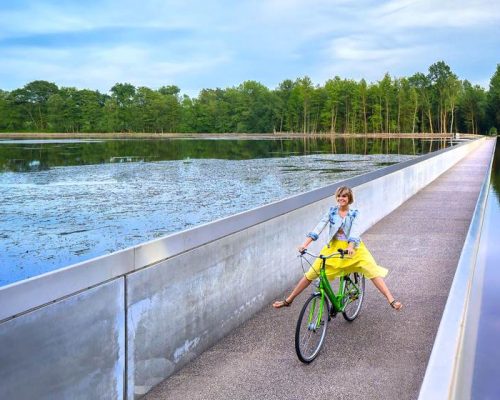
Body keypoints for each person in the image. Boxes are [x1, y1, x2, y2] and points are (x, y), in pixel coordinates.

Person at [273, 185, 402, 310]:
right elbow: (318, 228)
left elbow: (354, 231)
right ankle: (289, 300)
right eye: (339, 196)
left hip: (353, 248)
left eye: (344, 196)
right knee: (311, 273)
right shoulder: (332, 212)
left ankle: (390, 299)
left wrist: (351, 246)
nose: (341, 198)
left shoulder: (354, 214)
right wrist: (304, 245)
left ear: (349, 198)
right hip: (334, 248)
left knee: (372, 270)